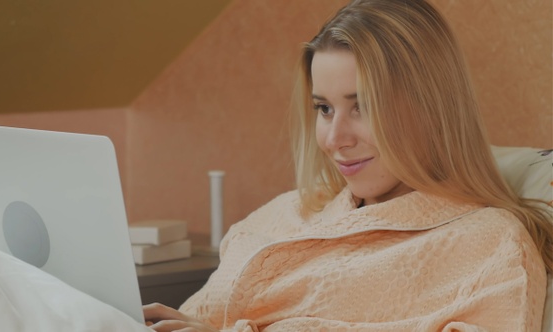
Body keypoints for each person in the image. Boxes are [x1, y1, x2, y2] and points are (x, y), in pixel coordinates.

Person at [143, 0, 553, 330]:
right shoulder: (284, 212)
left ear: (433, 109)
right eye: (324, 108)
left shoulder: (490, 246)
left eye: (364, 106)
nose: (335, 138)